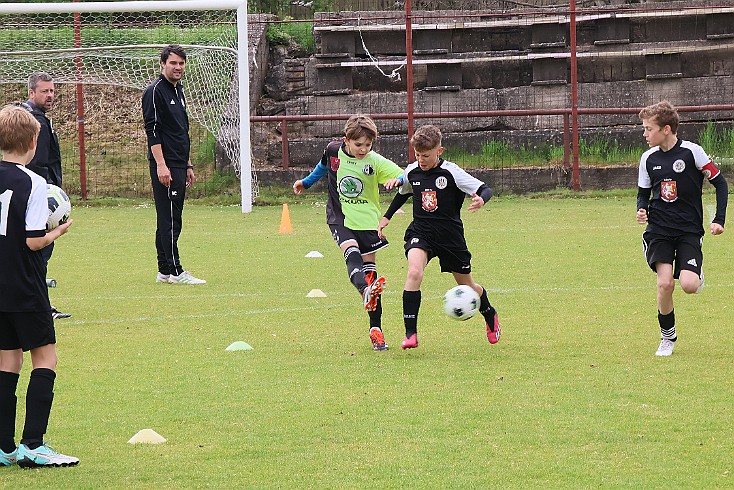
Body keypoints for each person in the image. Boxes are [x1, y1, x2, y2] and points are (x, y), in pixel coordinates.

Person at [0, 105, 79, 468]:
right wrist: (58, 231)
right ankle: (33, 444)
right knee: (44, 357)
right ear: (33, 142)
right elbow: (33, 240)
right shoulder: (33, 183)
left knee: (7, 361)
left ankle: (3, 448)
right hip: (25, 285)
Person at [379, 124, 501, 349]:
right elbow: (402, 192)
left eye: (426, 155)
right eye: (417, 155)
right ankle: (410, 334)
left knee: (468, 285)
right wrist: (386, 218)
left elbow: (485, 188)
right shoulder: (412, 170)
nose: (421, 160)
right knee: (414, 272)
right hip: (421, 232)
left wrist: (481, 199)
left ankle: (489, 313)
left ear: (439, 151)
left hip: (450, 237)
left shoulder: (452, 172)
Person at [293, 115, 404, 351]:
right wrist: (307, 182)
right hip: (340, 217)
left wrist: (398, 180)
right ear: (346, 140)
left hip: (367, 222)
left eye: (368, 145)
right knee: (351, 252)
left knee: (371, 273)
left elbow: (404, 176)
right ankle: (365, 291)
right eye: (359, 145)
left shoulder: (375, 161)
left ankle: (376, 330)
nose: (364, 149)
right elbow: (323, 166)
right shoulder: (333, 151)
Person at [636, 101, 728, 357]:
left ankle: (695, 272)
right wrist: (641, 209)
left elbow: (720, 184)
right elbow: (643, 194)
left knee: (688, 284)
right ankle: (667, 336)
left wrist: (719, 219)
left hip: (688, 230)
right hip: (659, 230)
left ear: (666, 129)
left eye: (648, 129)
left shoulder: (692, 152)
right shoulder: (647, 158)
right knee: (665, 284)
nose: (644, 134)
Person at [142, 44, 205, 285]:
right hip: (166, 165)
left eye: (181, 63)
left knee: (170, 218)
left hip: (179, 164)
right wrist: (161, 165)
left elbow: (181, 131)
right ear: (163, 64)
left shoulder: (178, 91)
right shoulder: (155, 91)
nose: (178, 67)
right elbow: (153, 131)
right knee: (170, 219)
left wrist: (187, 164)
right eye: (173, 63)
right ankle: (177, 272)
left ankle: (165, 271)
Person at [21, 72, 70, 319]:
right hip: (38, 199)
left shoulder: (40, 118)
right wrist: (47, 195)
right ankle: (39, 308)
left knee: (38, 254)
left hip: (44, 196)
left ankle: (37, 305)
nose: (50, 95)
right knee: (38, 253)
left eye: (52, 90)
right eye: (45, 91)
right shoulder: (32, 121)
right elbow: (35, 165)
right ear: (32, 93)